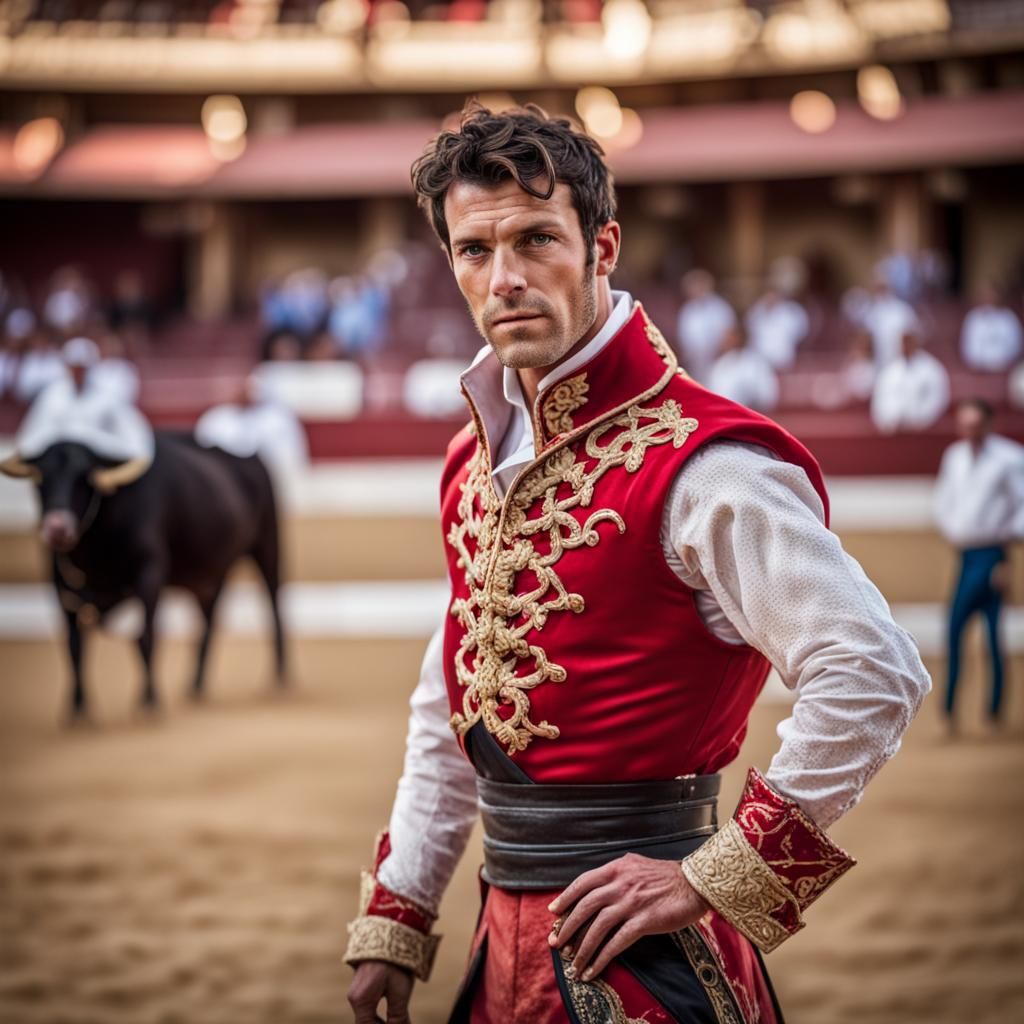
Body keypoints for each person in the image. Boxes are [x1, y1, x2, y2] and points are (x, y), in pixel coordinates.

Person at [344, 104, 930, 1024]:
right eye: (473, 250)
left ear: (603, 245)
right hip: (502, 938)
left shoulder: (708, 463)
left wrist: (717, 875)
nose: (504, 280)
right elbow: (449, 701)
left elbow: (872, 668)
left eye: (537, 239)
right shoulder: (471, 461)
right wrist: (402, 910)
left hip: (650, 956)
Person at [933, 399, 1024, 732]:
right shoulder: (954, 456)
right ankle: (960, 710)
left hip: (992, 553)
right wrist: (952, 529)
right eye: (964, 426)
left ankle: (985, 709)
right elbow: (944, 500)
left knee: (980, 632)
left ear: (988, 424)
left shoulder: (1009, 458)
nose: (969, 432)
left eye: (975, 426)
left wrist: (1005, 555)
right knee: (971, 630)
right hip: (966, 554)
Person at [15, 336, 153, 468]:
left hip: (96, 466)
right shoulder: (52, 395)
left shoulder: (107, 396)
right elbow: (32, 437)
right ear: (67, 367)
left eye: (83, 368)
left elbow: (131, 437)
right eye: (75, 367)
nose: (79, 372)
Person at [194, 371, 308, 479]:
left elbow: (288, 454)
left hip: (267, 475)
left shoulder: (276, 419)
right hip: (227, 474)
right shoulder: (216, 418)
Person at [870, 327, 950, 433]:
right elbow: (880, 399)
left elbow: (938, 399)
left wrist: (920, 420)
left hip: (923, 429)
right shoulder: (890, 370)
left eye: (909, 341)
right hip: (895, 429)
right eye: (903, 341)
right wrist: (888, 420)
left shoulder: (932, 369)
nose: (905, 345)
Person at [675, 268, 736, 382]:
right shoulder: (687, 310)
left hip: (719, 361)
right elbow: (683, 337)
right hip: (695, 362)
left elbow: (729, 333)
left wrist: (717, 352)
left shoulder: (720, 307)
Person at [706, 324, 779, 412]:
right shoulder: (720, 365)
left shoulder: (757, 363)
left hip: (750, 417)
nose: (728, 340)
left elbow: (767, 397)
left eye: (732, 337)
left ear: (741, 337)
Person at [959, 284, 1022, 373]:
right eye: (984, 295)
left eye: (991, 295)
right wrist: (980, 364)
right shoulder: (973, 317)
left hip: (1006, 370)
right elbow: (968, 347)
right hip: (979, 371)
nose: (988, 298)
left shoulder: (1009, 317)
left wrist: (1004, 363)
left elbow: (1016, 345)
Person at [744, 286, 809, 370]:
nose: (770, 299)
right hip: (760, 362)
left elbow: (801, 333)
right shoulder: (755, 312)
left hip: (782, 359)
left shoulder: (789, 313)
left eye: (773, 296)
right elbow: (749, 332)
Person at [861, 276, 918, 368]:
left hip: (901, 360)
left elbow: (911, 336)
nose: (881, 291)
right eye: (878, 288)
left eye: (883, 287)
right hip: (879, 360)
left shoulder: (903, 309)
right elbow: (866, 338)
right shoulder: (872, 312)